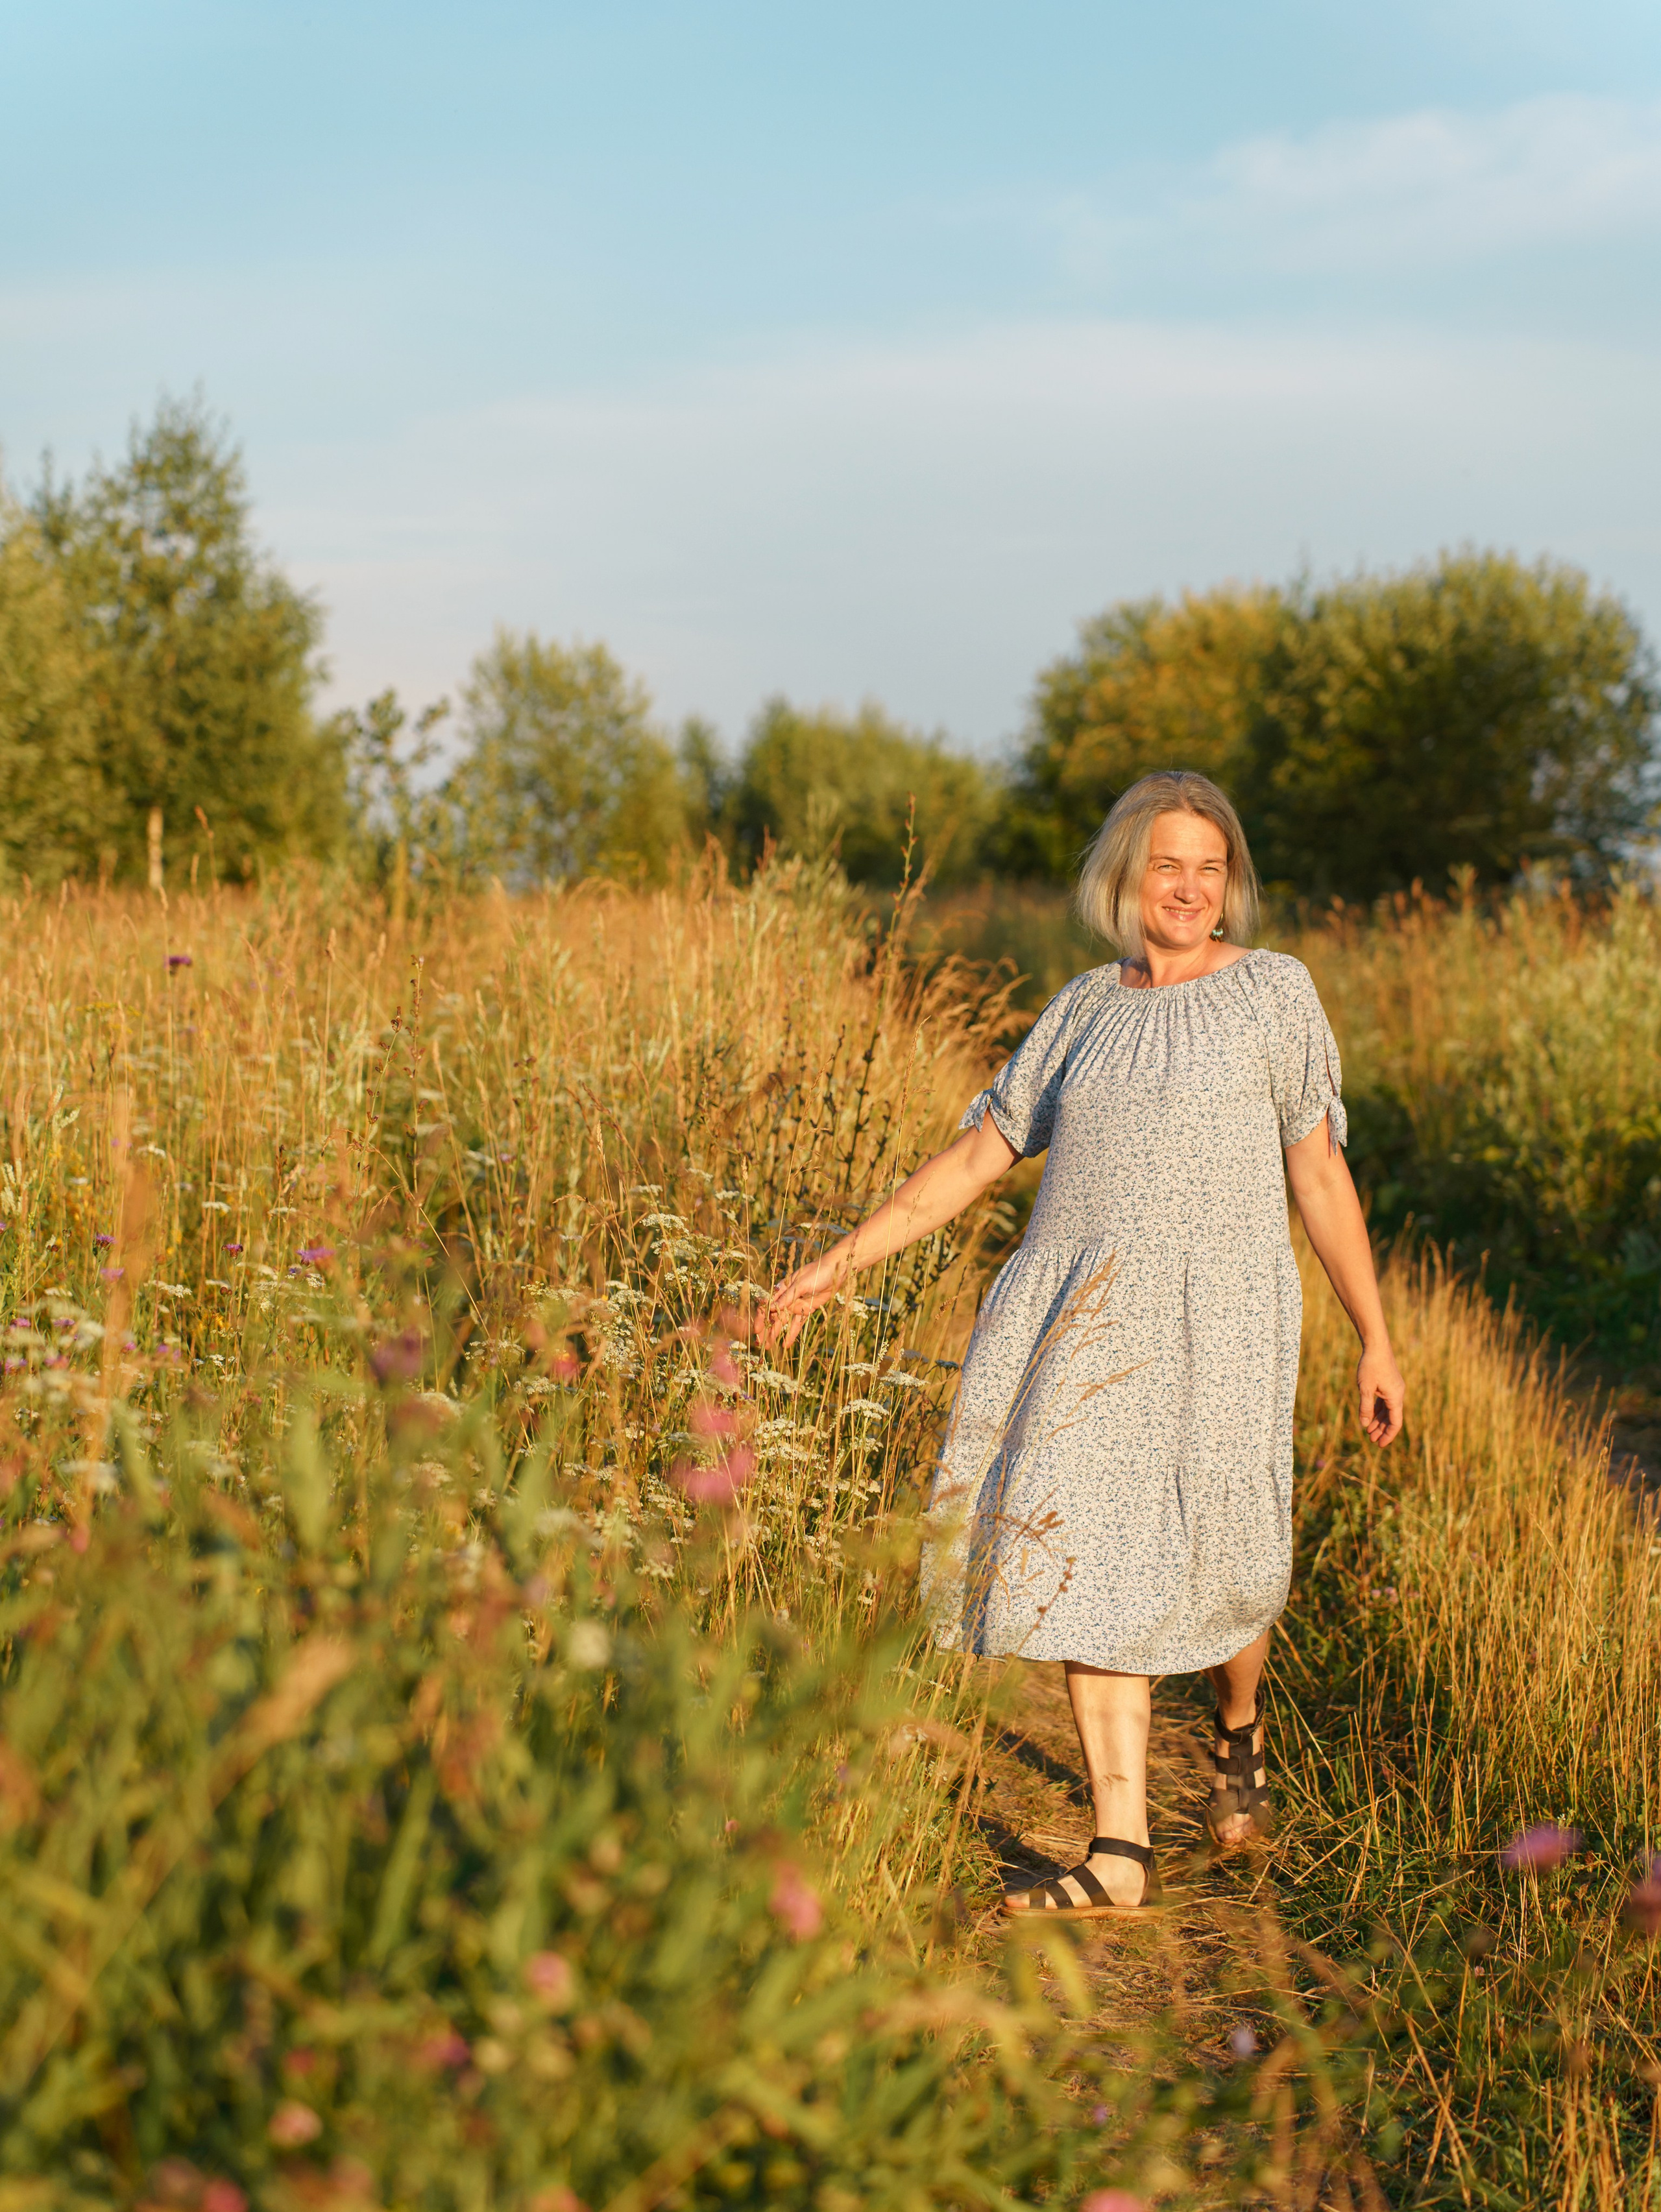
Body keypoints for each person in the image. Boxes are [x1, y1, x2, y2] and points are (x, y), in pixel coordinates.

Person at [760, 769, 1405, 1917]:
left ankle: (1238, 1722)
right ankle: (1120, 1851)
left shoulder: (1274, 993)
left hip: (1226, 1314)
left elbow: (1318, 1169)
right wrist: (833, 1264)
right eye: (1169, 864)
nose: (1191, 888)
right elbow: (977, 1158)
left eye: (1212, 869)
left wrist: (1376, 1336)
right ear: (1127, 874)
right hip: (1083, 1320)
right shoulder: (1081, 1009)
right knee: (1093, 1549)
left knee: (1228, 1553)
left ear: (1232, 884)